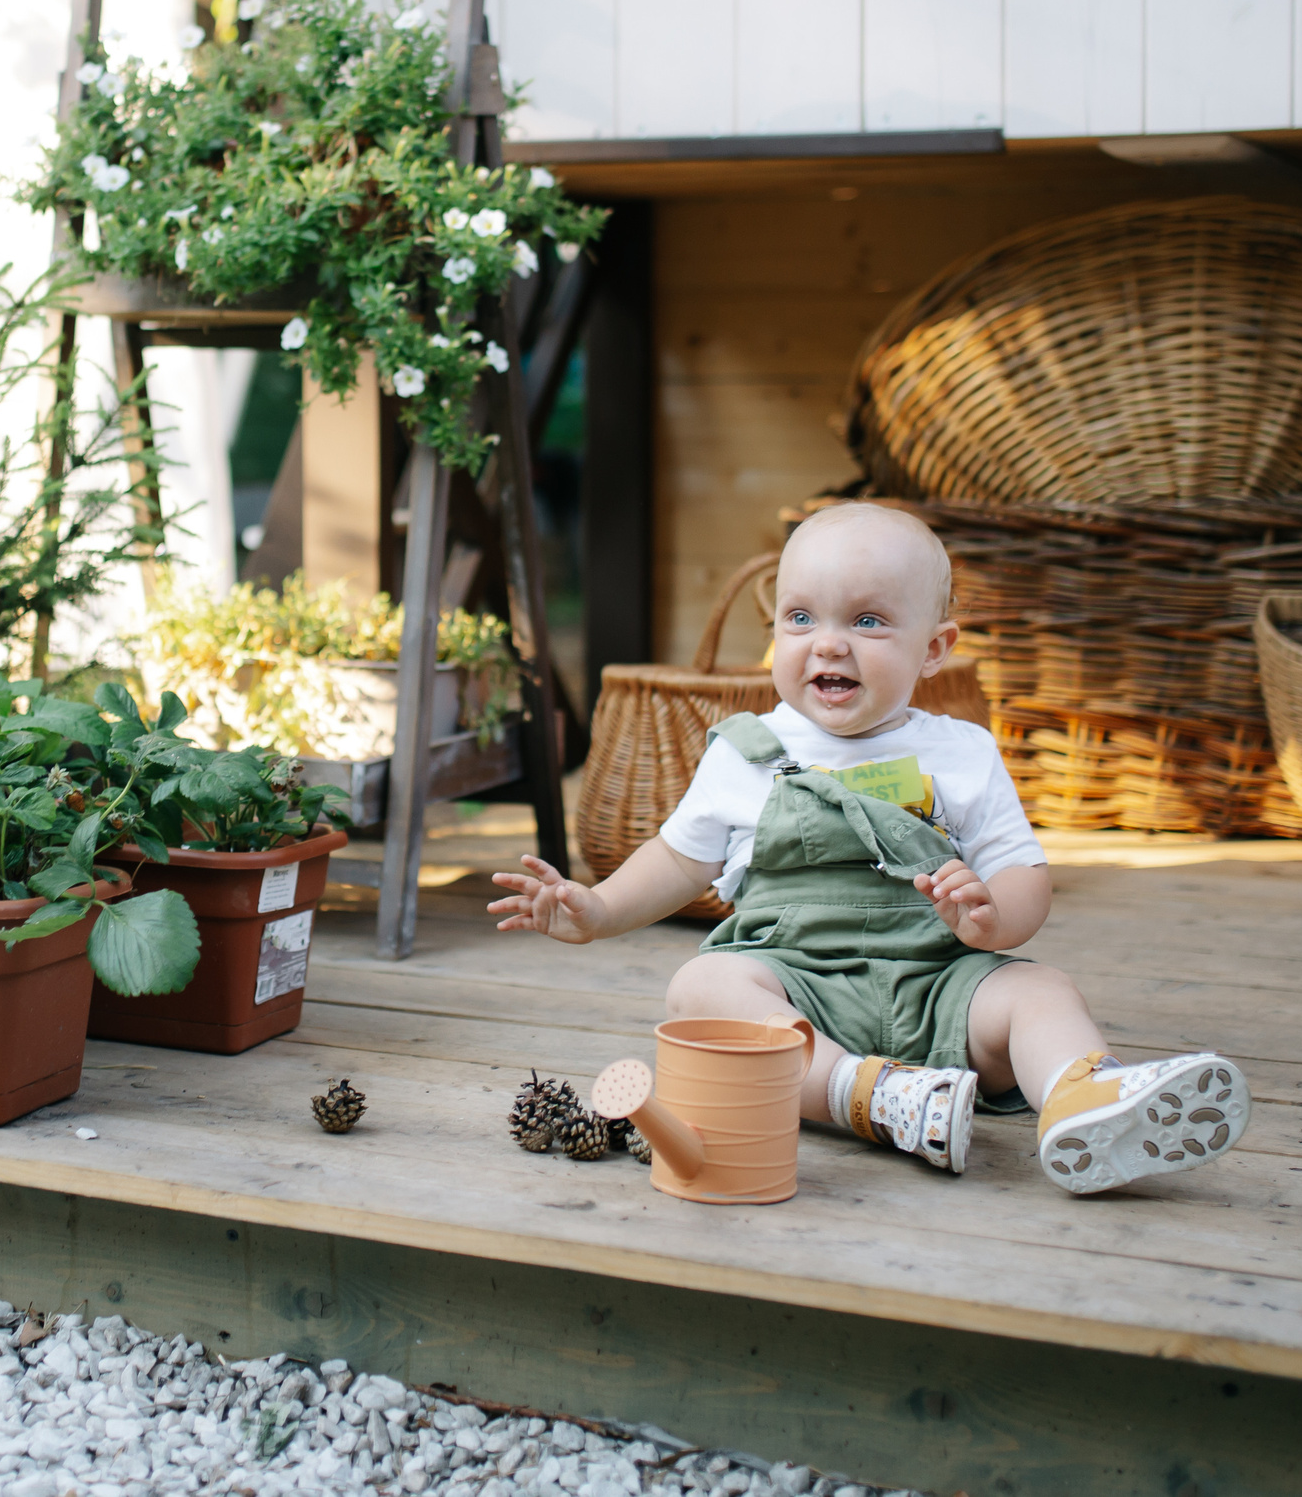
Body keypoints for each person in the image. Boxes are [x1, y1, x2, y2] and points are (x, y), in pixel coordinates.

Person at [489, 502, 1247, 1192]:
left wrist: (990, 919)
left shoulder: (962, 752)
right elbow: (679, 858)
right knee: (702, 988)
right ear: (775, 635)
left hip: (937, 983)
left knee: (1040, 991)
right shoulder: (747, 751)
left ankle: (1088, 1098)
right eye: (801, 618)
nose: (830, 644)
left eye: (870, 622)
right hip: (798, 987)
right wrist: (596, 908)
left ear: (933, 649)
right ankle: (876, 1097)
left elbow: (1023, 871)